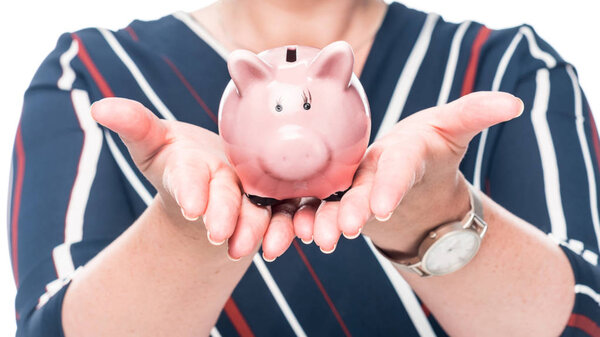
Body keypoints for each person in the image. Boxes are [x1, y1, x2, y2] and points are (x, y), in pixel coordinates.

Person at [8, 0, 600, 335]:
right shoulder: (91, 74)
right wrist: (190, 228)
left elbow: (583, 318)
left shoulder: (513, 71)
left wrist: (430, 216)